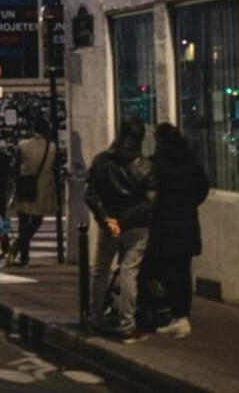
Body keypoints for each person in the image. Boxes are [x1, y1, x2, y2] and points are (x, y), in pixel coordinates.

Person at [85, 116, 156, 344]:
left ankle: (95, 317)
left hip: (110, 225)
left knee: (100, 271)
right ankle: (127, 326)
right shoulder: (145, 166)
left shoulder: (102, 160)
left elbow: (91, 195)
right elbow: (149, 202)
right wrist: (124, 221)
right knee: (129, 273)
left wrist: (108, 220)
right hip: (135, 227)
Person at [146, 123, 209, 339]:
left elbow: (150, 192)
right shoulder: (191, 161)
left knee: (167, 272)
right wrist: (187, 204)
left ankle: (176, 317)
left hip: (165, 225)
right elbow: (203, 188)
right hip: (188, 223)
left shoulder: (157, 163)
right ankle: (183, 315)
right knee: (183, 271)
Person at [14, 117, 56, 267]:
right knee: (37, 220)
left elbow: (17, 167)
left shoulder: (23, 145)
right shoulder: (52, 147)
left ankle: (23, 255)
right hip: (43, 189)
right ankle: (19, 246)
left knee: (23, 223)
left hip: (26, 187)